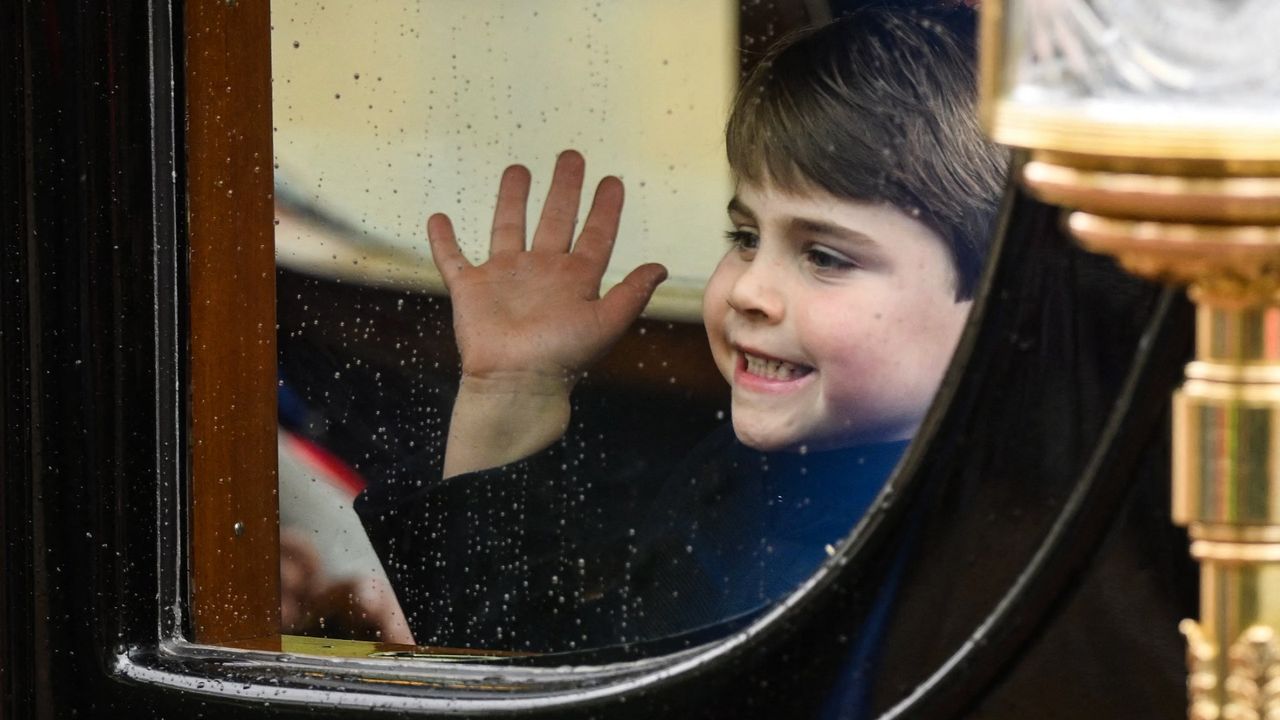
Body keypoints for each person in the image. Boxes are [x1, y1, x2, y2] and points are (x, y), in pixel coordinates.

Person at [355, 3, 1007, 655]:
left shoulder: (986, 556)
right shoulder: (741, 480)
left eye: (825, 257)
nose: (750, 290)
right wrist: (512, 386)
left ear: (996, 300)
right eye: (746, 237)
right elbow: (547, 670)